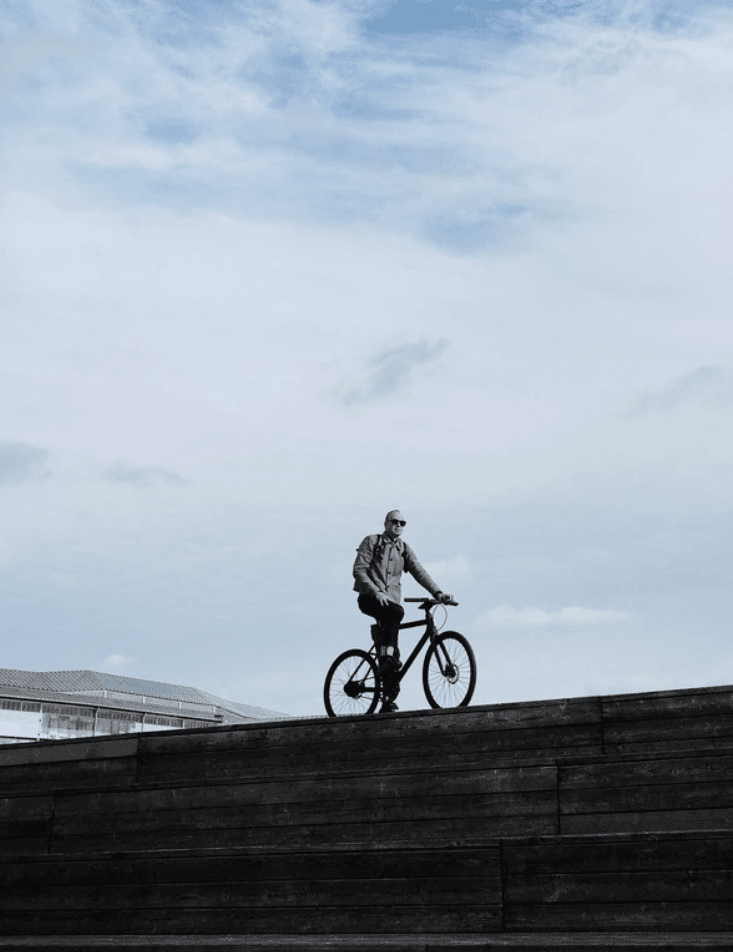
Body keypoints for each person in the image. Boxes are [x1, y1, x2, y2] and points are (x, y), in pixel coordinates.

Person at [353, 510, 452, 713]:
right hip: (369, 598)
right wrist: (376, 591)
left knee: (394, 652)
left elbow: (419, 571)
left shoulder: (404, 548)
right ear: (386, 523)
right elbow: (359, 570)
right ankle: (387, 659)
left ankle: (387, 699)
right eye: (395, 521)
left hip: (390, 604)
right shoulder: (372, 541)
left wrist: (438, 592)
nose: (399, 525)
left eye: (402, 522)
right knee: (396, 614)